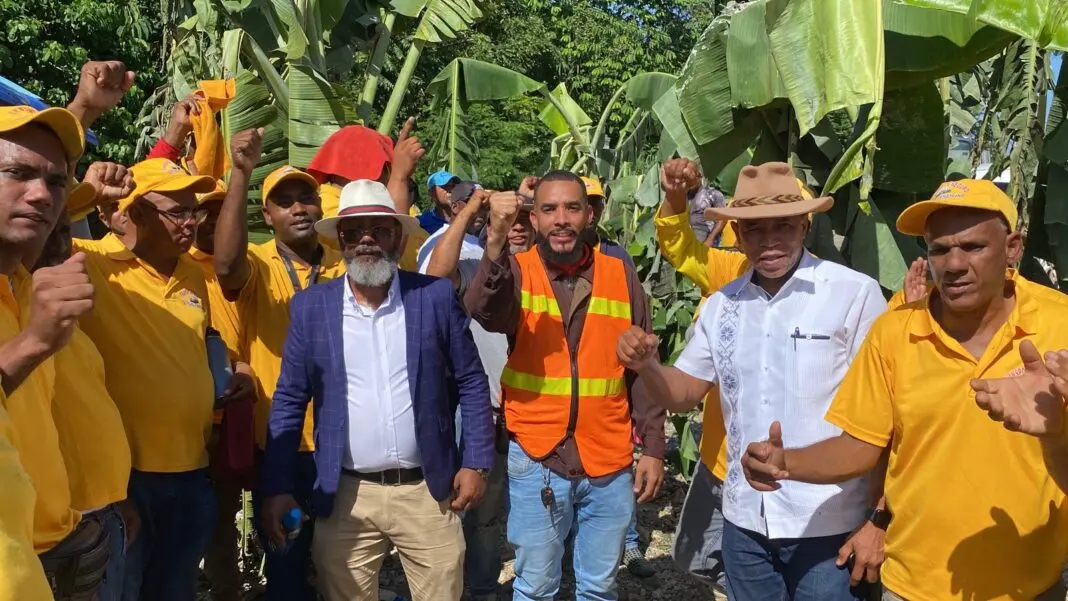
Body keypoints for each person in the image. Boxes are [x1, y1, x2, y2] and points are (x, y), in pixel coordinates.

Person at [739, 179, 1068, 601]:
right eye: (938, 249)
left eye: (972, 247)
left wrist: (1057, 435)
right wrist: (788, 463)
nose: (952, 264)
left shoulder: (1059, 329)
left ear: (1013, 248)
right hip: (911, 585)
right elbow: (862, 445)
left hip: (1031, 586)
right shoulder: (896, 331)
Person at [618, 161, 888, 601]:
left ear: (805, 224)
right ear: (738, 236)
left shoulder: (854, 294)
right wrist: (648, 365)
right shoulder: (723, 304)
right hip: (745, 523)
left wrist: (877, 519)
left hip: (828, 523)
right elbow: (685, 392)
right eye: (754, 230)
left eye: (783, 226)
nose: (769, 241)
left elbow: (884, 421)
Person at [260, 179, 494, 601]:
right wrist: (278, 487)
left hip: (427, 490)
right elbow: (290, 401)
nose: (366, 240)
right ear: (341, 241)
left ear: (397, 237)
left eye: (379, 230)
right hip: (346, 495)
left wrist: (475, 461)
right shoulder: (313, 309)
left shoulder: (433, 297)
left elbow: (471, 381)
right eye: (354, 232)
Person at [465, 170, 666, 601]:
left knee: (599, 587)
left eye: (572, 208)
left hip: (608, 456)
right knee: (536, 585)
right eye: (549, 209)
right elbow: (485, 311)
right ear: (533, 219)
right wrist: (496, 243)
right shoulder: (516, 271)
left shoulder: (621, 275)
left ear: (589, 215)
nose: (561, 219)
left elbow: (644, 368)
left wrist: (652, 446)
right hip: (538, 452)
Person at [72, 156, 232, 601]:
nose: (190, 223)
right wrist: (87, 195)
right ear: (136, 213)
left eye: (193, 211)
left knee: (174, 590)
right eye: (176, 212)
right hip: (127, 481)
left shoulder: (193, 276)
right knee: (126, 591)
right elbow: (41, 232)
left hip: (192, 471)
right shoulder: (92, 262)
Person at [213, 131, 344, 601]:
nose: (298, 208)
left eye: (306, 198)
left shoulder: (344, 265)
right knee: (287, 556)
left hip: (339, 440)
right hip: (281, 446)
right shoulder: (257, 264)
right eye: (283, 202)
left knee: (340, 559)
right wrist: (241, 173)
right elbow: (224, 267)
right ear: (267, 215)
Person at [0, 104, 98, 601]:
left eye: (55, 182)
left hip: (50, 550)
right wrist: (32, 343)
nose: (41, 195)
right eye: (16, 173)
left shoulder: (22, 284)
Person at [418, 185, 508, 600]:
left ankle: (483, 587)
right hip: (469, 404)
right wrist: (473, 210)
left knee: (490, 513)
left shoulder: (539, 266)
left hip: (519, 406)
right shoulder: (465, 256)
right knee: (453, 504)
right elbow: (436, 279)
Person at [305, 120, 428, 270]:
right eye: (388, 166)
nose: (389, 175)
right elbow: (391, 251)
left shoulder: (396, 202)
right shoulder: (324, 208)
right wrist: (399, 177)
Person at [421, 170, 462, 234]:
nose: (451, 190)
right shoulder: (422, 222)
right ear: (431, 193)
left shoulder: (467, 218)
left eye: (453, 186)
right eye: (445, 186)